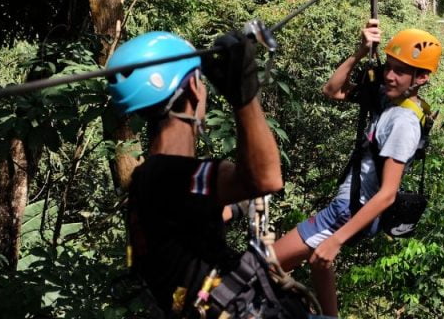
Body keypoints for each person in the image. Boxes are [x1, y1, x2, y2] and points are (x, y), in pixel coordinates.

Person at [107, 30, 309, 319]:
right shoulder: (172, 174)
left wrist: (238, 207)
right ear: (193, 87)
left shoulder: (149, 177)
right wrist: (244, 96)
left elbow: (192, 220)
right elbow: (267, 178)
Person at [272, 19, 442, 317]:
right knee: (316, 261)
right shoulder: (389, 101)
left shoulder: (403, 122)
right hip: (350, 206)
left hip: (349, 211)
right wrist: (359, 53)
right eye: (389, 66)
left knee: (263, 266)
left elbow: (388, 194)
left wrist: (337, 240)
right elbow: (332, 90)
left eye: (400, 71)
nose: (390, 75)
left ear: (422, 77)